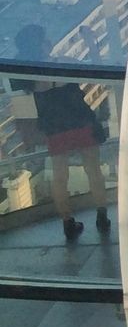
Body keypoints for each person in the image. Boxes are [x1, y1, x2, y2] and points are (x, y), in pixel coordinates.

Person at [16, 25, 110, 242]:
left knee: (60, 178)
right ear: (42, 43)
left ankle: (68, 223)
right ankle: (102, 216)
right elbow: (95, 67)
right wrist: (90, 42)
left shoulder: (28, 73)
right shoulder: (62, 62)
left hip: (55, 128)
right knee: (93, 170)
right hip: (81, 122)